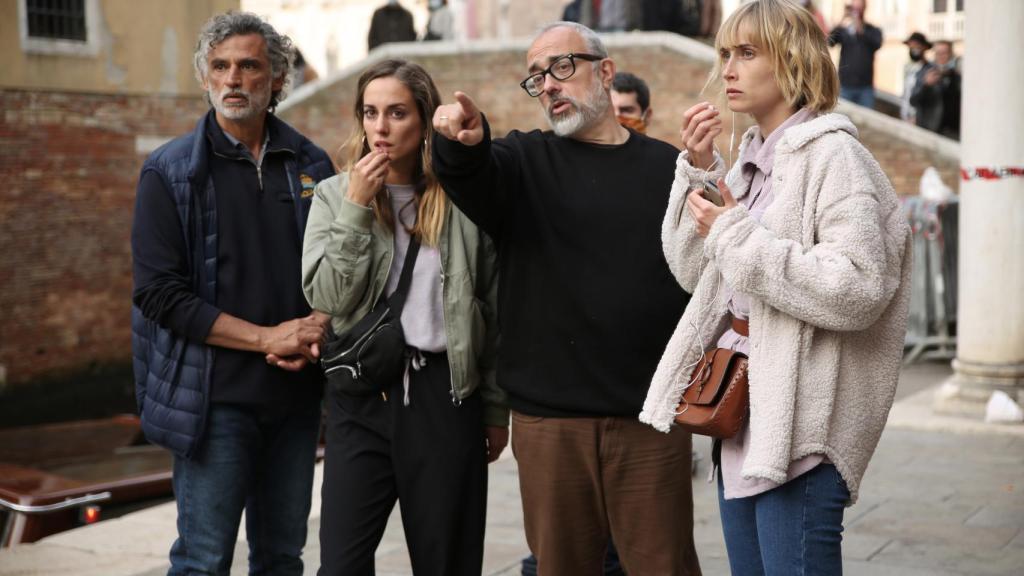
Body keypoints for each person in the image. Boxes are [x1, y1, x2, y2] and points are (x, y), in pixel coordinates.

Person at [641, 1, 911, 573]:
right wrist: (699, 169)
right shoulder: (749, 162)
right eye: (724, 55)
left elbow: (858, 287)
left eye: (747, 53)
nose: (729, 69)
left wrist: (735, 231)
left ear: (791, 61)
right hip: (741, 418)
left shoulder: (836, 157)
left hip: (803, 432)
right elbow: (696, 275)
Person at [432, 21, 701, 576]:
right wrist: (461, 142)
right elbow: (472, 172)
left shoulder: (666, 168)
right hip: (551, 424)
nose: (548, 84)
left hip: (649, 419)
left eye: (560, 67)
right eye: (536, 77)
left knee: (663, 566)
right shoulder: (523, 161)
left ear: (604, 72)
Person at [130, 11, 335, 574]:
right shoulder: (169, 172)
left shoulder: (313, 164)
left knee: (281, 559)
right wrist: (268, 336)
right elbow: (159, 295)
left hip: (295, 402)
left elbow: (341, 270)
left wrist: (314, 325)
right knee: (203, 560)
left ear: (275, 79)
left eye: (249, 66)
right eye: (220, 67)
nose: (233, 79)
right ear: (204, 77)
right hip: (213, 404)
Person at [302, 59, 507, 576]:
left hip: (442, 396)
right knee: (341, 565)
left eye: (396, 113)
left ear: (423, 120)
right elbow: (326, 296)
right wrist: (355, 208)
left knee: (447, 562)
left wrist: (495, 409)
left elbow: (493, 305)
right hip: (360, 398)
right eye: (370, 113)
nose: (380, 127)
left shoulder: (461, 202)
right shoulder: (332, 195)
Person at [828, 0, 883, 108]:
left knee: (866, 121)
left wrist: (857, 22)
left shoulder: (873, 30)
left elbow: (877, 44)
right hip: (845, 86)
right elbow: (830, 41)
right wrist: (843, 18)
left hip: (865, 88)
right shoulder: (844, 31)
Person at [910, 40, 961, 140]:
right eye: (938, 53)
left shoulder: (957, 75)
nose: (941, 56)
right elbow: (913, 100)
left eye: (944, 53)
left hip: (952, 131)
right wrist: (926, 85)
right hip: (930, 130)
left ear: (951, 54)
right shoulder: (924, 73)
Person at [901, 31, 933, 124]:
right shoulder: (907, 67)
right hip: (905, 116)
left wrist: (917, 117)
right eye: (911, 46)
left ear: (924, 47)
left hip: (919, 120)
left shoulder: (929, 69)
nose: (914, 49)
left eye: (917, 46)